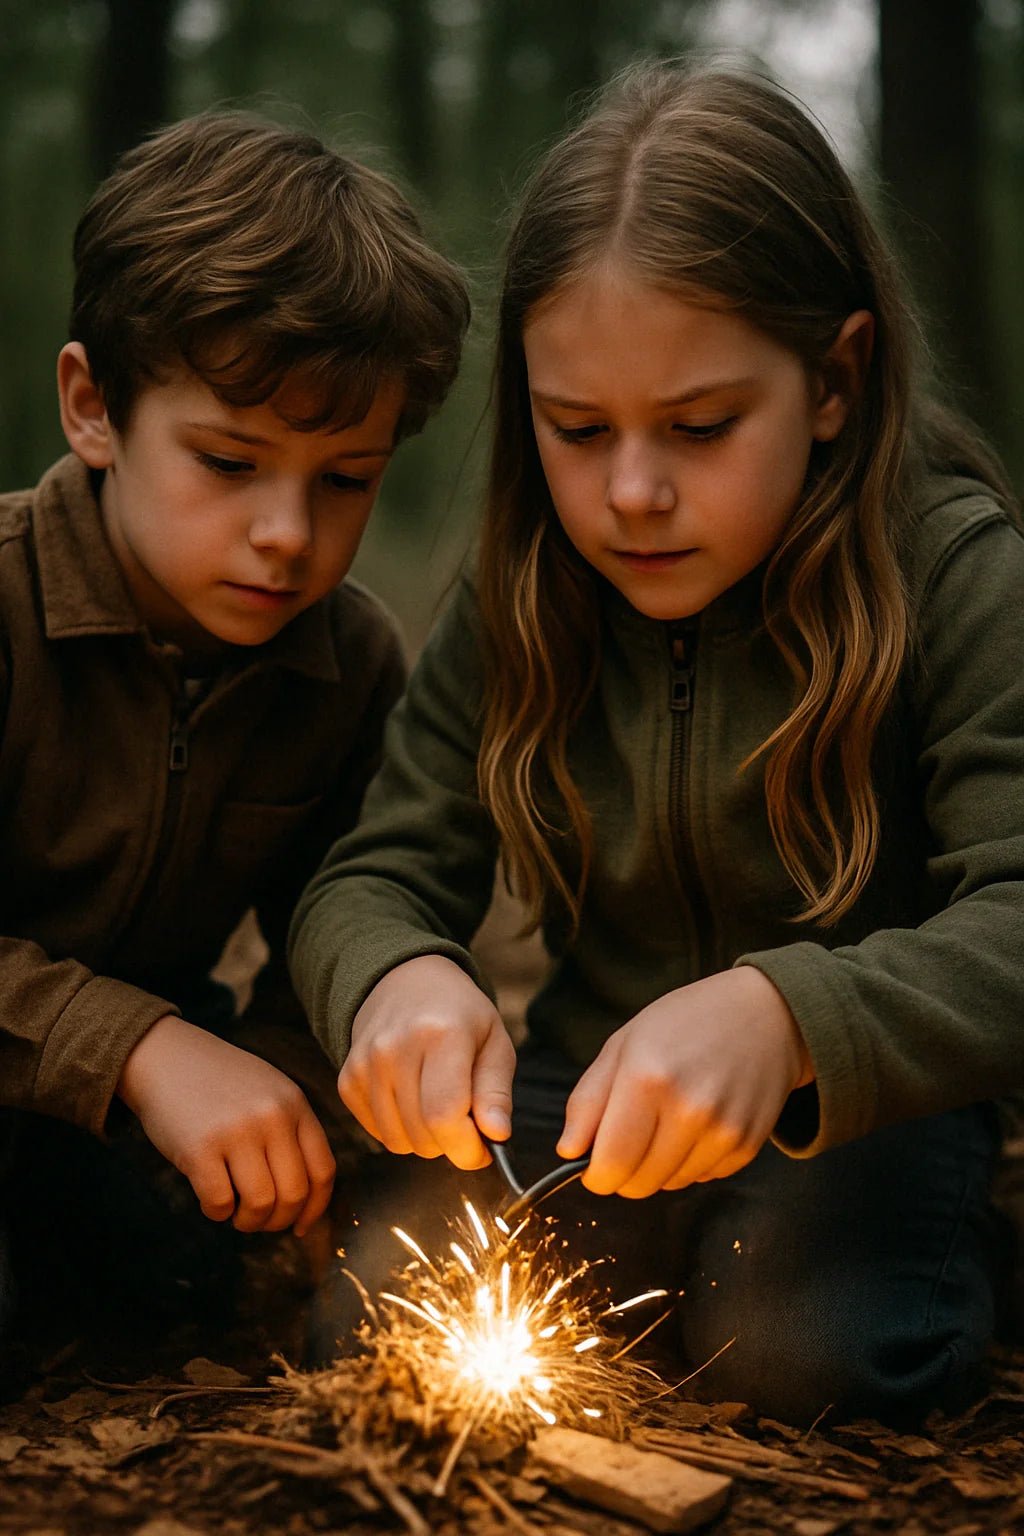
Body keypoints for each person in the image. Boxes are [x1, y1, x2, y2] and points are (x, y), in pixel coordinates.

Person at [288, 64, 1024, 1427]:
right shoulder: (524, 597)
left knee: (810, 1353)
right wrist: (395, 979)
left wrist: (796, 1018)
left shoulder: (956, 574)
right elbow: (371, 873)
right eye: (577, 430)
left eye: (699, 427)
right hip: (578, 1103)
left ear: (834, 377)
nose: (632, 492)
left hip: (863, 1105)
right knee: (382, 1320)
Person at [0, 109, 469, 1367]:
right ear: (93, 408)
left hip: (141, 1092)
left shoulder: (347, 664)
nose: (287, 534)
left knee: (193, 1296)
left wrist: (278, 1085)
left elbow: (344, 925)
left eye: (345, 478)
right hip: (73, 1051)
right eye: (228, 460)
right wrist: (137, 1049)